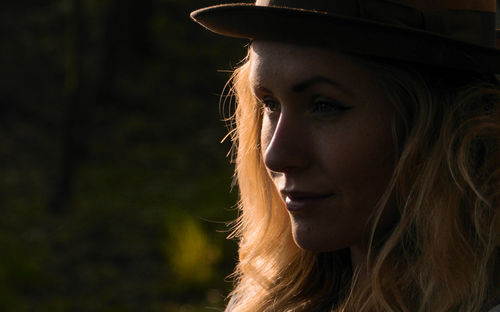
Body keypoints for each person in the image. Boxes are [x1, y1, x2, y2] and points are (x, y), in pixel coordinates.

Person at [191, 0, 500, 311]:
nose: (276, 155)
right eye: (270, 104)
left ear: (445, 122)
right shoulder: (261, 300)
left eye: (324, 106)